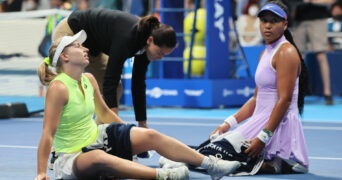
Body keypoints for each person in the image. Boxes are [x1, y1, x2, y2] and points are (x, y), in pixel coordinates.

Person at [35, 30, 241, 180]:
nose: (86, 48)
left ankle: (210, 164)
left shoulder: (88, 78)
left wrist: (129, 134)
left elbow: (104, 112)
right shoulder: (58, 88)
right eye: (78, 46)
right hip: (73, 156)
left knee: (149, 136)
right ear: (65, 56)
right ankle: (163, 176)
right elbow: (47, 134)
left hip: (97, 137)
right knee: (98, 158)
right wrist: (42, 173)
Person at [207, 0, 310, 174]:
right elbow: (256, 99)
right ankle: (268, 163)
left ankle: (279, 160)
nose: (267, 26)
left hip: (275, 129)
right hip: (260, 122)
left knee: (218, 157)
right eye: (264, 21)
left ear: (285, 24)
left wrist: (263, 137)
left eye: (274, 21)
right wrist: (228, 123)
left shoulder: (286, 52)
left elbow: (284, 100)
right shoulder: (266, 52)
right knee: (211, 150)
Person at [52, 8, 177, 129]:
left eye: (164, 55)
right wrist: (115, 120)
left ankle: (97, 133)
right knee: (68, 85)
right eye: (160, 52)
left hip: (93, 46)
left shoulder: (144, 44)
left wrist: (142, 122)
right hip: (71, 32)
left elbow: (138, 84)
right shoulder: (127, 38)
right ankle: (60, 131)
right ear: (150, 40)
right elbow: (110, 79)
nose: (160, 57)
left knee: (117, 88)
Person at [292, 0, 334, 105]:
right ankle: (295, 92)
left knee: (321, 56)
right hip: (299, 20)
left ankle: (327, 92)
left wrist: (312, 0)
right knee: (297, 57)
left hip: (318, 19)